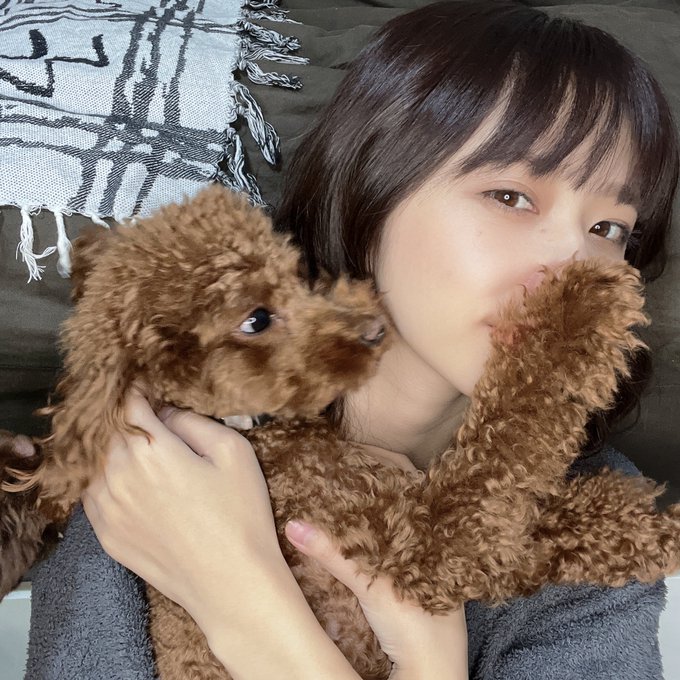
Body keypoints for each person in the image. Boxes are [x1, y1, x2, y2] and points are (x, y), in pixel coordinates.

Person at [81, 1, 679, 678]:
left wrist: (245, 606)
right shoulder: (169, 444)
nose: (569, 265)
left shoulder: (596, 524)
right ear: (371, 196)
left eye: (608, 229)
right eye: (511, 196)